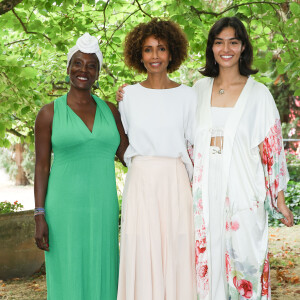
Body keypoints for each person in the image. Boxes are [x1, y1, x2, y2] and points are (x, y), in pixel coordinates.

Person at [192, 17, 293, 299]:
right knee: (207, 269)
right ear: (211, 48)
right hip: (204, 198)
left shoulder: (259, 95)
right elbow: (183, 141)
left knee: (245, 267)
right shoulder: (197, 91)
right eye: (219, 42)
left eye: (233, 42)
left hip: (243, 196)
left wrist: (280, 201)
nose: (226, 48)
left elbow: (272, 151)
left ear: (243, 47)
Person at [34, 33, 128, 300]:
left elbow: (130, 156)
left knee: (104, 270)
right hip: (63, 210)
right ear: (68, 68)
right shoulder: (48, 113)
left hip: (103, 207)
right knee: (68, 273)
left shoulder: (112, 111)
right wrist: (39, 214)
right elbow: (41, 167)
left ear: (98, 72)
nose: (83, 70)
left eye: (91, 65)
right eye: (77, 63)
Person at [117, 19, 197, 300]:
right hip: (141, 180)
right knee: (141, 246)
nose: (155, 56)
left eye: (161, 49)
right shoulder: (128, 96)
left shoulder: (188, 96)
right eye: (148, 50)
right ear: (139, 55)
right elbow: (124, 139)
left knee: (176, 248)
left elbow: (193, 144)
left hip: (175, 180)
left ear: (171, 53)